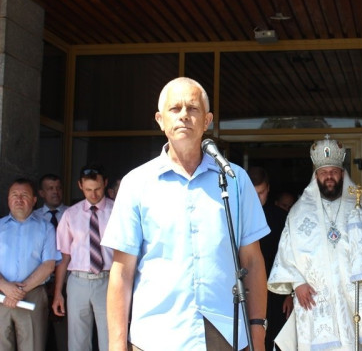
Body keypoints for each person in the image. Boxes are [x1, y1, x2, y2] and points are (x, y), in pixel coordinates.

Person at [102, 77, 269, 351]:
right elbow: (121, 272)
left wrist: (257, 333)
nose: (183, 116)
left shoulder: (234, 179)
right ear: (160, 120)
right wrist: (117, 345)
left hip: (225, 333)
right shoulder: (136, 183)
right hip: (155, 337)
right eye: (174, 108)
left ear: (207, 121)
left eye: (192, 108)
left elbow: (252, 260)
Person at [268, 135, 362, 350]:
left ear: (342, 174)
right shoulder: (298, 212)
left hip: (351, 296)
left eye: (334, 172)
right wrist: (297, 283)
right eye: (323, 172)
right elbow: (285, 252)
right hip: (315, 299)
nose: (329, 177)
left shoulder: (360, 205)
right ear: (316, 176)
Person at [52, 165, 113, 351]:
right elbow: (64, 257)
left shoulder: (118, 211)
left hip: (108, 280)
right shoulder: (71, 214)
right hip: (78, 281)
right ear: (80, 185)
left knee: (110, 338)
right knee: (77, 340)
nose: (93, 194)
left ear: (105, 183)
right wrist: (58, 293)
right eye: (88, 190)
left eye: (97, 189)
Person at [0, 178, 60, 351]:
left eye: (24, 195)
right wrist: (5, 287)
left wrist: (18, 291)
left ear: (34, 200)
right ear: (8, 199)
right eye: (14, 195)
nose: (19, 199)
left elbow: (48, 265)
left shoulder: (46, 228)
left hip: (33, 295)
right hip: (1, 295)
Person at [248, 166, 292, 351]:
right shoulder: (234, 216)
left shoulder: (281, 218)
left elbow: (291, 256)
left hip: (276, 291)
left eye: (261, 193)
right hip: (246, 290)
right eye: (253, 193)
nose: (257, 198)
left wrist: (290, 293)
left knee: (276, 340)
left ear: (268, 189)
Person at [34, 174, 68, 351]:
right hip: (39, 282)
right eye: (50, 188)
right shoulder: (33, 217)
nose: (55, 192)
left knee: (65, 335)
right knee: (38, 335)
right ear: (41, 193)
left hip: (66, 281)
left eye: (58, 188)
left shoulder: (72, 213)